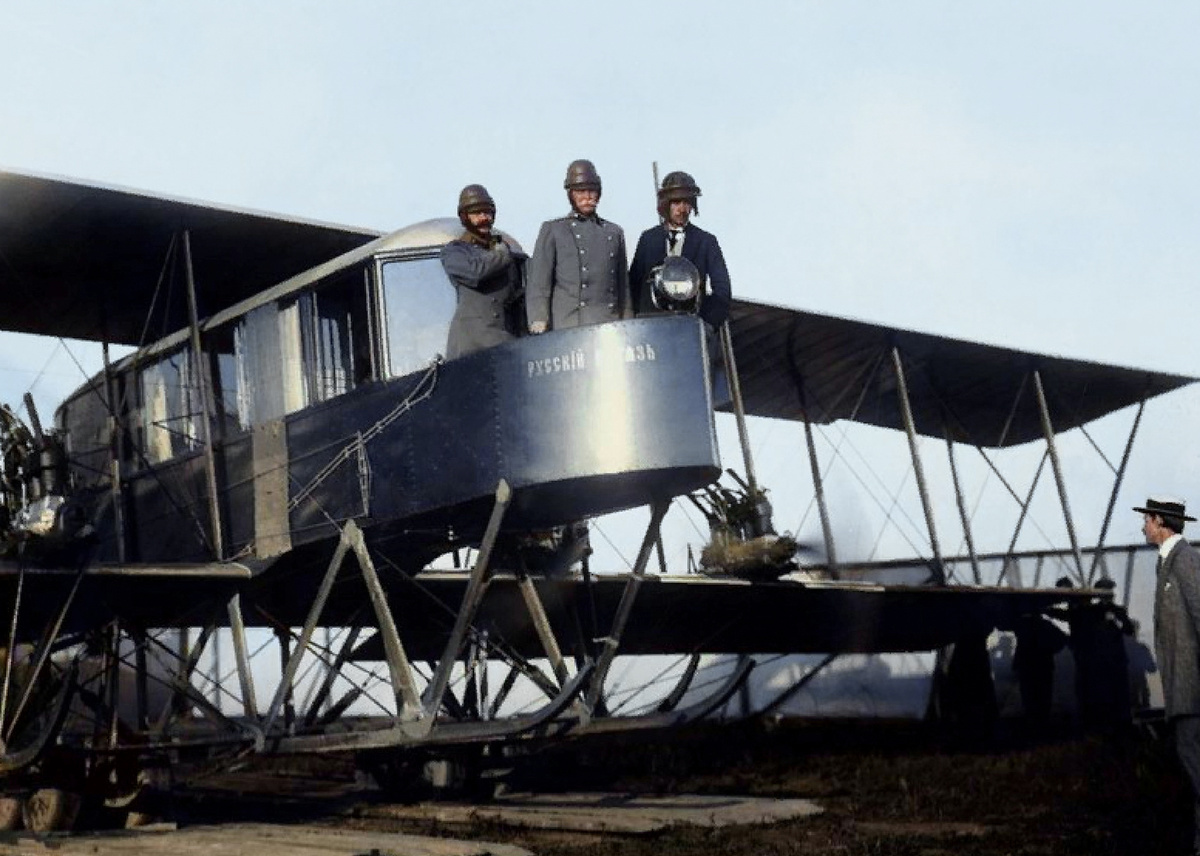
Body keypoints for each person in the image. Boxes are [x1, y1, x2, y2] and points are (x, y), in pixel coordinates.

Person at [1137, 496, 1200, 854]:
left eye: (1147, 519)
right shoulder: (1167, 564)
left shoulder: (1186, 562)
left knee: (1193, 762)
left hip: (1193, 692)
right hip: (1185, 691)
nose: (1143, 525)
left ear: (1160, 521)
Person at [527, 160, 630, 333]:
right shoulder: (554, 230)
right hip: (569, 325)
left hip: (607, 325)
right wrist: (538, 318)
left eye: (592, 191)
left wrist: (628, 322)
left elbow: (623, 288)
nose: (587, 197)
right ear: (571, 194)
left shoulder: (614, 232)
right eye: (580, 191)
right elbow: (539, 281)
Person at [628, 170, 732, 329]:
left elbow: (722, 291)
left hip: (691, 332)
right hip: (652, 330)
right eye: (676, 203)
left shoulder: (706, 242)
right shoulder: (648, 239)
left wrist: (706, 324)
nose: (682, 209)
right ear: (666, 205)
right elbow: (633, 286)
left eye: (687, 203)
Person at [439, 184, 525, 359]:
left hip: (504, 339)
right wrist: (501, 254)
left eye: (487, 213)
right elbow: (475, 273)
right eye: (477, 214)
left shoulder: (504, 251)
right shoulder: (455, 251)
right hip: (472, 345)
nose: (484, 218)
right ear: (465, 217)